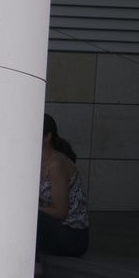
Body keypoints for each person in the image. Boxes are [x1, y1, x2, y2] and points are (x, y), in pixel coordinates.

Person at [39, 113, 90, 263]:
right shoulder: (34, 161)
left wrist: (30, 209)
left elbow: (61, 212)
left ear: (47, 137)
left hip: (72, 236)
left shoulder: (56, 164)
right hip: (54, 230)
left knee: (28, 216)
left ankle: (34, 265)